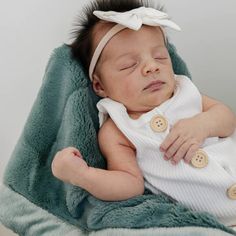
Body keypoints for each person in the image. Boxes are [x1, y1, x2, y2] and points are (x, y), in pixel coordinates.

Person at [51, 0, 236, 226]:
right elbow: (130, 184)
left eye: (160, 57)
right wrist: (82, 176)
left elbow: (227, 119)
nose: (152, 67)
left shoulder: (184, 91)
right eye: (129, 65)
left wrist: (203, 124)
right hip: (218, 219)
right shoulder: (118, 129)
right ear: (100, 86)